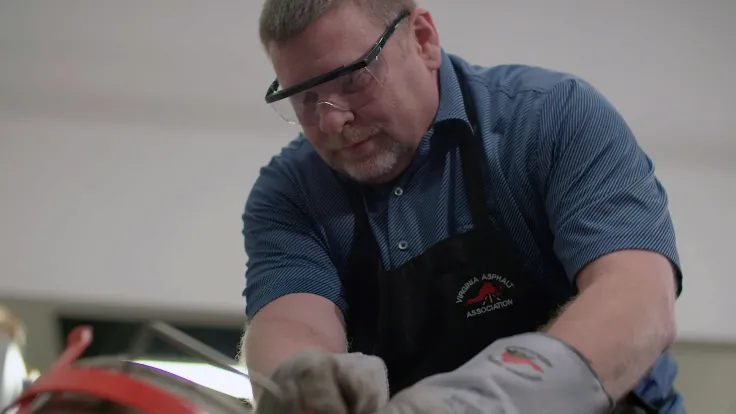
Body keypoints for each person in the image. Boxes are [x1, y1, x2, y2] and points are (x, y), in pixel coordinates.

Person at [240, 0, 685, 413]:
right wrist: (306, 383)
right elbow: (294, 322)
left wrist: (481, 401)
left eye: (353, 78)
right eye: (304, 97)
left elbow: (637, 299)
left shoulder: (552, 117)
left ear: (422, 39)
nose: (331, 119)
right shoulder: (291, 192)